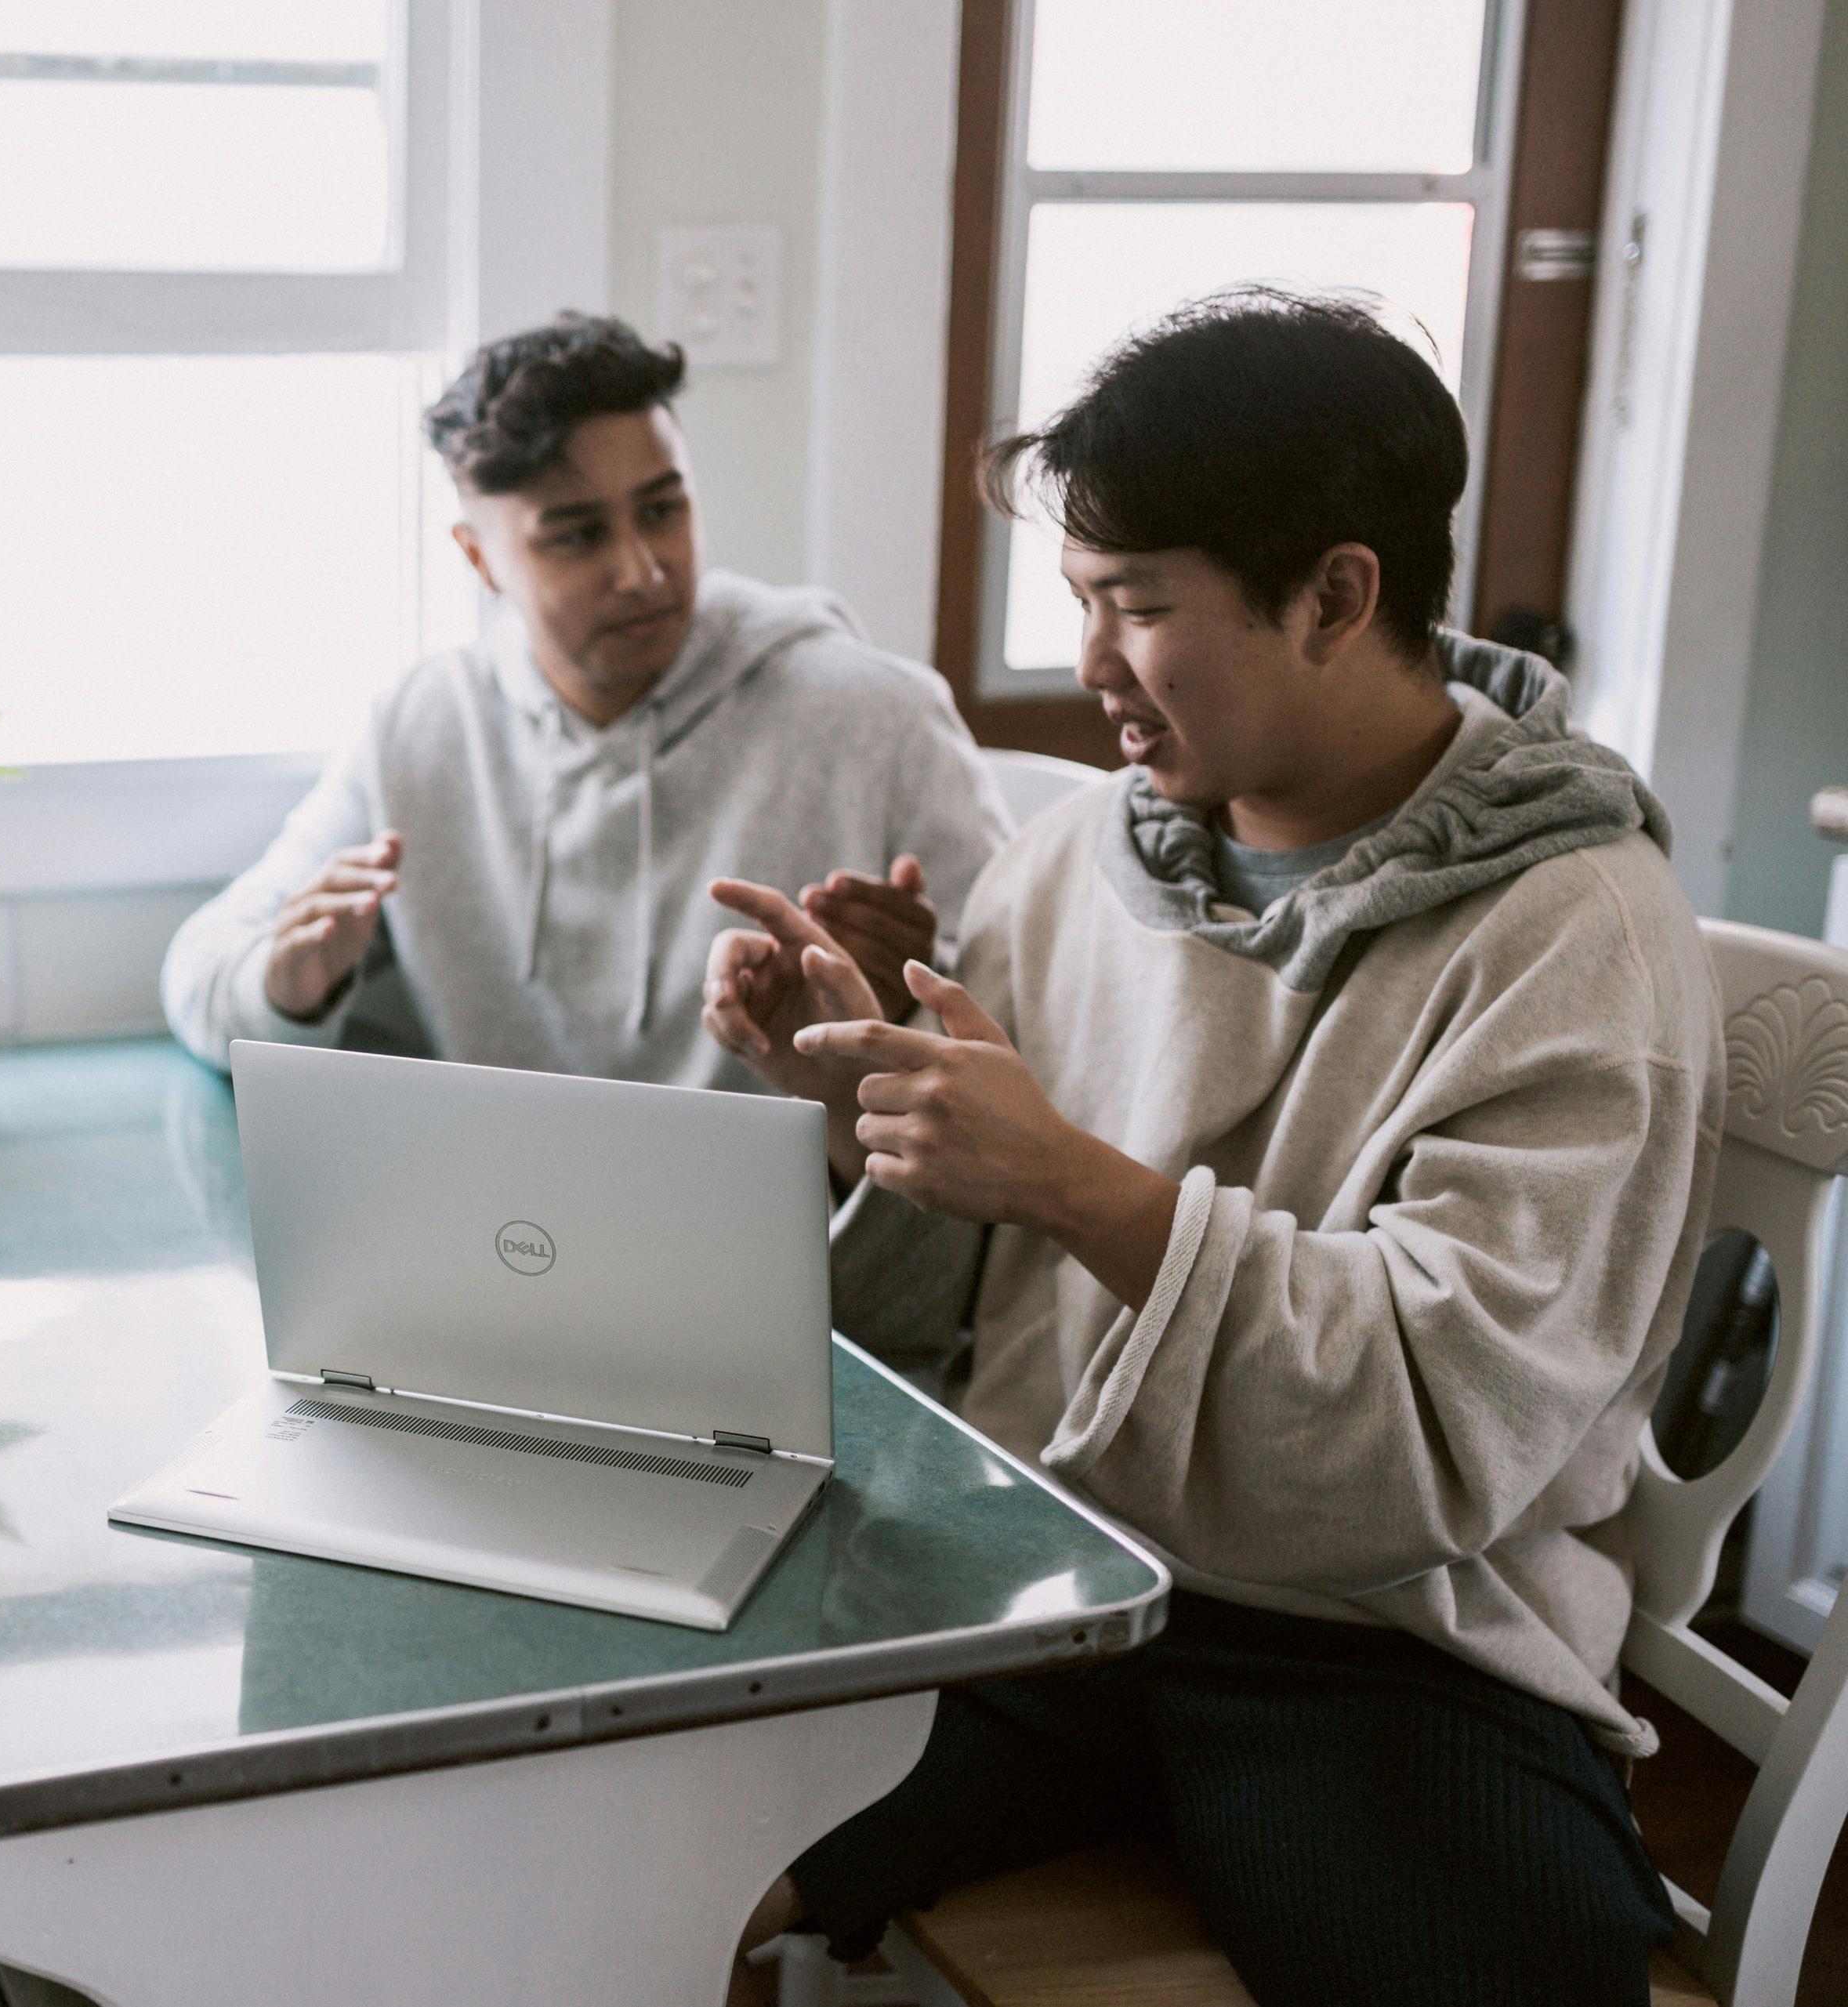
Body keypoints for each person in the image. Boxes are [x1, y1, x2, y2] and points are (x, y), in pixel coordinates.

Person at [705, 290, 1719, 2006]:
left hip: (1389, 1645)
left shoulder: (1577, 932)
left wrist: (1067, 1175)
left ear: (1337, 592)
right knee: (651, 1837)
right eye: (1080, 603)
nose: (1092, 663)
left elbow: (1433, 1428)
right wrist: (862, 1097)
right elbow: (956, 1330)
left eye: (1137, 605)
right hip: (1047, 1569)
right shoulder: (1080, 852)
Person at [161, 313, 1010, 1089]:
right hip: (499, 1230)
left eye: (663, 509)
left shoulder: (876, 715)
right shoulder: (420, 726)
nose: (642, 568)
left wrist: (891, 1011)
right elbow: (201, 971)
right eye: (577, 534)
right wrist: (288, 985)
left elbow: (1030, 1021)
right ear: (479, 557)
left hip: (793, 1234)